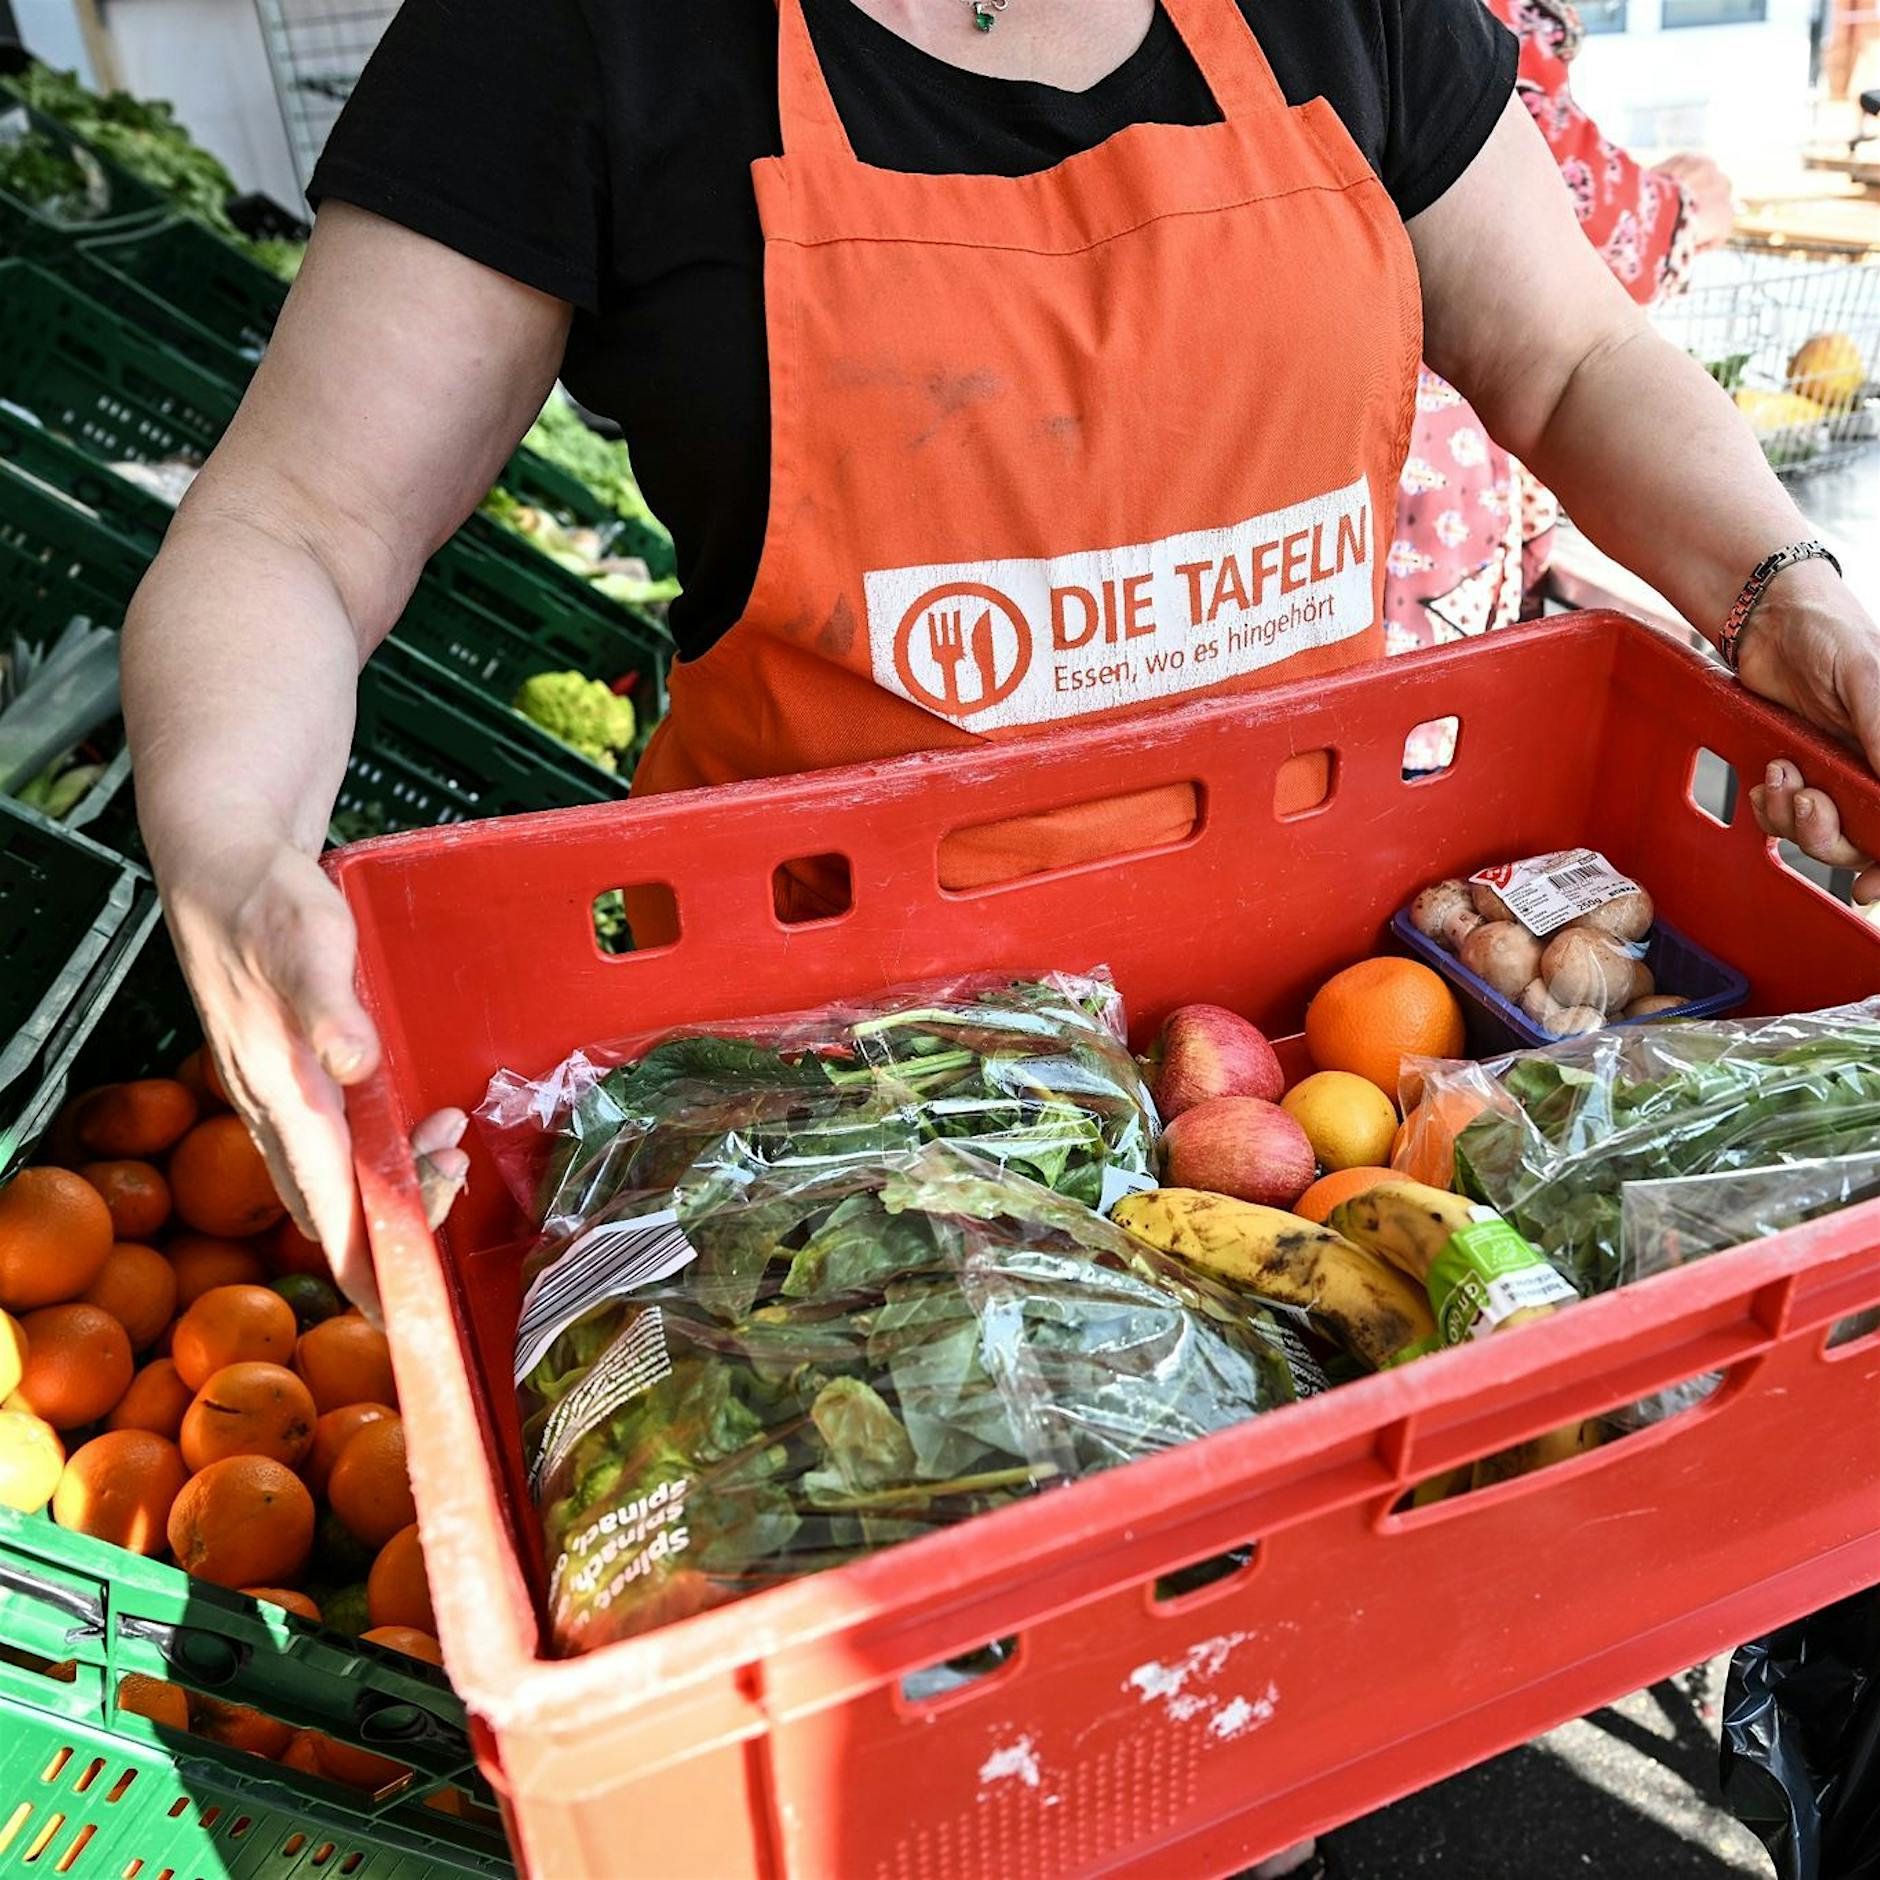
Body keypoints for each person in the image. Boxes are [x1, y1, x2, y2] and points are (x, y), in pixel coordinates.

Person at [122, 0, 1880, 1318]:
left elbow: (1571, 357)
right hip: (830, 1071)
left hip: (1321, 1016)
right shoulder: (579, 35)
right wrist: (230, 858)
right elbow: (297, 528)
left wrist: (1778, 586)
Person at [1390, 0, 1735, 771]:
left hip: (1419, 490)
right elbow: (1579, 223)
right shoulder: (1462, 29)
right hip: (1421, 490)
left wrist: (1785, 593)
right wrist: (1687, 208)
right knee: (1412, 737)